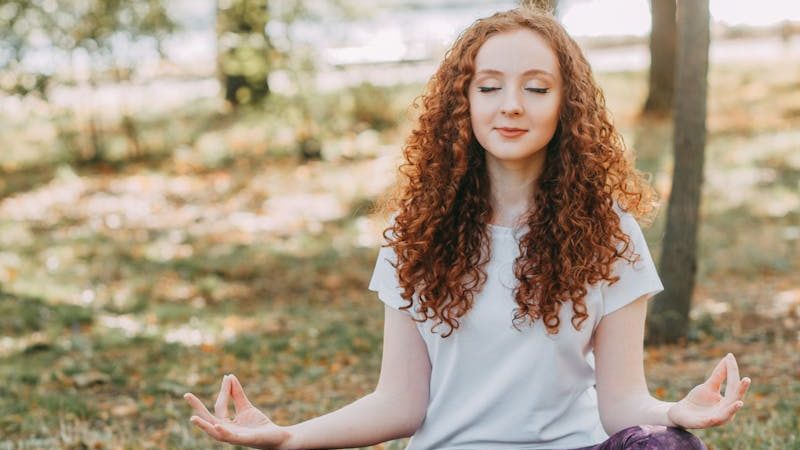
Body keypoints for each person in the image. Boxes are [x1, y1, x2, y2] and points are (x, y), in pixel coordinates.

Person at [183, 7, 751, 450]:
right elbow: (400, 403)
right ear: (463, 102)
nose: (511, 106)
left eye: (536, 87)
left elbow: (623, 403)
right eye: (489, 87)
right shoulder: (415, 233)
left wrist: (675, 414)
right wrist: (291, 435)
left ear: (566, 105)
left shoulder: (610, 232)